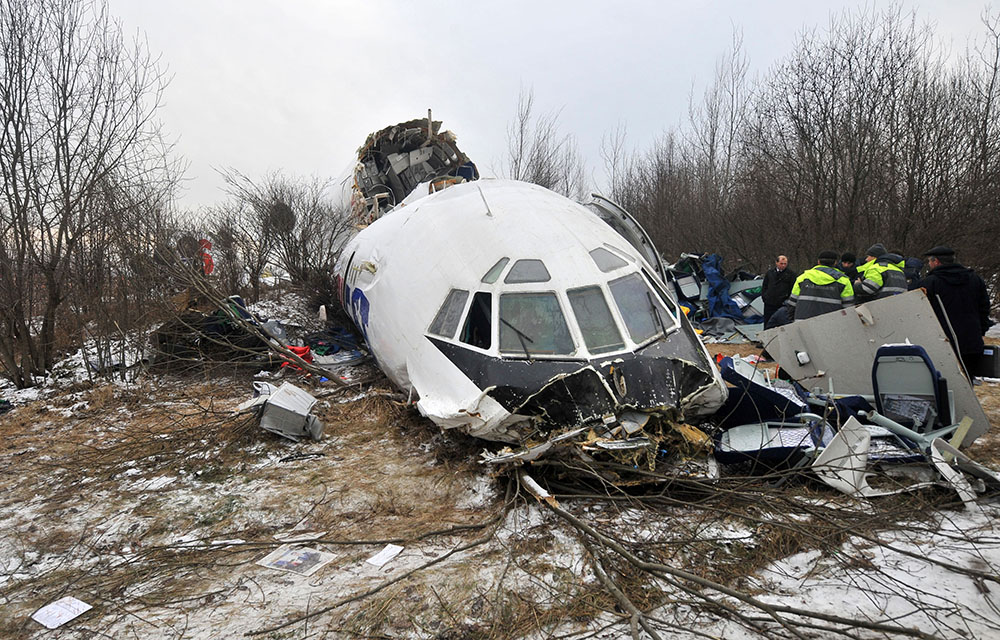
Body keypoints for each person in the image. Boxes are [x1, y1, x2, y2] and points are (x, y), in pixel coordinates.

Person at [915, 246, 993, 375]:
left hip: (943, 340)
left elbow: (920, 312)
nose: (929, 264)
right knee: (968, 380)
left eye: (930, 261)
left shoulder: (929, 283)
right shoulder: (975, 279)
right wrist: (981, 330)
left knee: (945, 380)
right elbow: (984, 308)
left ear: (936, 262)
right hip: (972, 339)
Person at [786, 251, 855, 321]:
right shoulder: (843, 281)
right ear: (835, 263)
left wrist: (793, 320)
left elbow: (792, 304)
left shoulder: (802, 278)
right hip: (831, 325)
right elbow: (848, 308)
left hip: (803, 324)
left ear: (818, 262)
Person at [761, 254, 797, 326]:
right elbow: (765, 286)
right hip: (769, 303)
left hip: (782, 304)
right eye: (781, 263)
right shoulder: (770, 273)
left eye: (785, 264)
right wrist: (765, 297)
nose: (783, 265)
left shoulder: (791, 274)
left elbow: (793, 288)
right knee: (768, 323)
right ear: (776, 263)